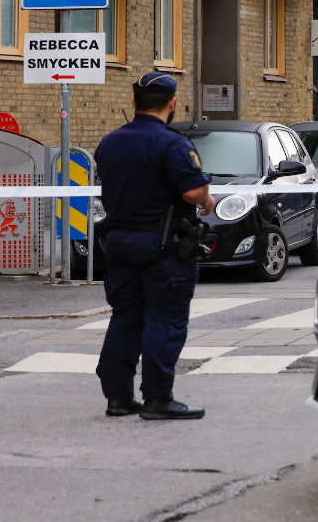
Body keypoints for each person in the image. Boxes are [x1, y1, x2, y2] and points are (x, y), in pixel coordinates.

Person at [94, 72, 215, 420]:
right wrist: (206, 199)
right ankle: (158, 399)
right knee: (165, 319)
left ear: (135, 102)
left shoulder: (110, 142)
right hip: (163, 245)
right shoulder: (172, 143)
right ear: (172, 103)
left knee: (125, 318)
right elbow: (193, 191)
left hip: (119, 242)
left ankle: (118, 396)